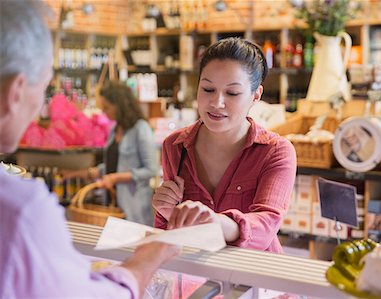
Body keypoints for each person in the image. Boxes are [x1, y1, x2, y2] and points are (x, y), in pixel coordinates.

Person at [0, 1, 178, 298]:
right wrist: (148, 258)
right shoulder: (21, 210)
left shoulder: (138, 129)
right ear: (16, 92)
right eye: (43, 88)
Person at [153, 37, 297, 253]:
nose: (216, 103)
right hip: (195, 277)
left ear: (256, 95)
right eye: (208, 89)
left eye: (232, 93)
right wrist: (166, 212)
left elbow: (266, 226)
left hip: (255, 278)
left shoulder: (276, 152)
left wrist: (216, 222)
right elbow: (170, 232)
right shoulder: (175, 146)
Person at [63, 80, 158, 226]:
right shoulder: (114, 130)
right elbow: (110, 167)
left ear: (120, 105)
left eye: (107, 108)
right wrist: (77, 174)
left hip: (134, 208)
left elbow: (151, 169)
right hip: (113, 205)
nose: (104, 113)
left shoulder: (141, 129)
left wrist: (115, 178)